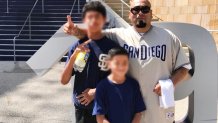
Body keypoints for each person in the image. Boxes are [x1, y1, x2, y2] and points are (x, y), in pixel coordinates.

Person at [63, 0, 192, 123]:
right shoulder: (118, 35)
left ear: (151, 13)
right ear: (130, 14)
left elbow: (184, 67)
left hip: (158, 110)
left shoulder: (168, 37)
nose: (140, 13)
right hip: (126, 110)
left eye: (145, 9)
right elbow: (94, 35)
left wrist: (170, 83)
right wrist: (75, 30)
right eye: (135, 10)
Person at [60, 1, 119, 123]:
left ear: (104, 20)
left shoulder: (113, 48)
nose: (93, 21)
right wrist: (73, 56)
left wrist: (95, 92)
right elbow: (64, 80)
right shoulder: (78, 46)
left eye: (97, 17)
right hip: (82, 109)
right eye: (89, 17)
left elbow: (119, 79)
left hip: (105, 107)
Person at [93, 47, 146, 123]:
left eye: (124, 63)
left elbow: (138, 113)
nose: (121, 67)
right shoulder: (102, 87)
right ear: (109, 63)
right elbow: (100, 117)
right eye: (117, 63)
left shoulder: (133, 84)